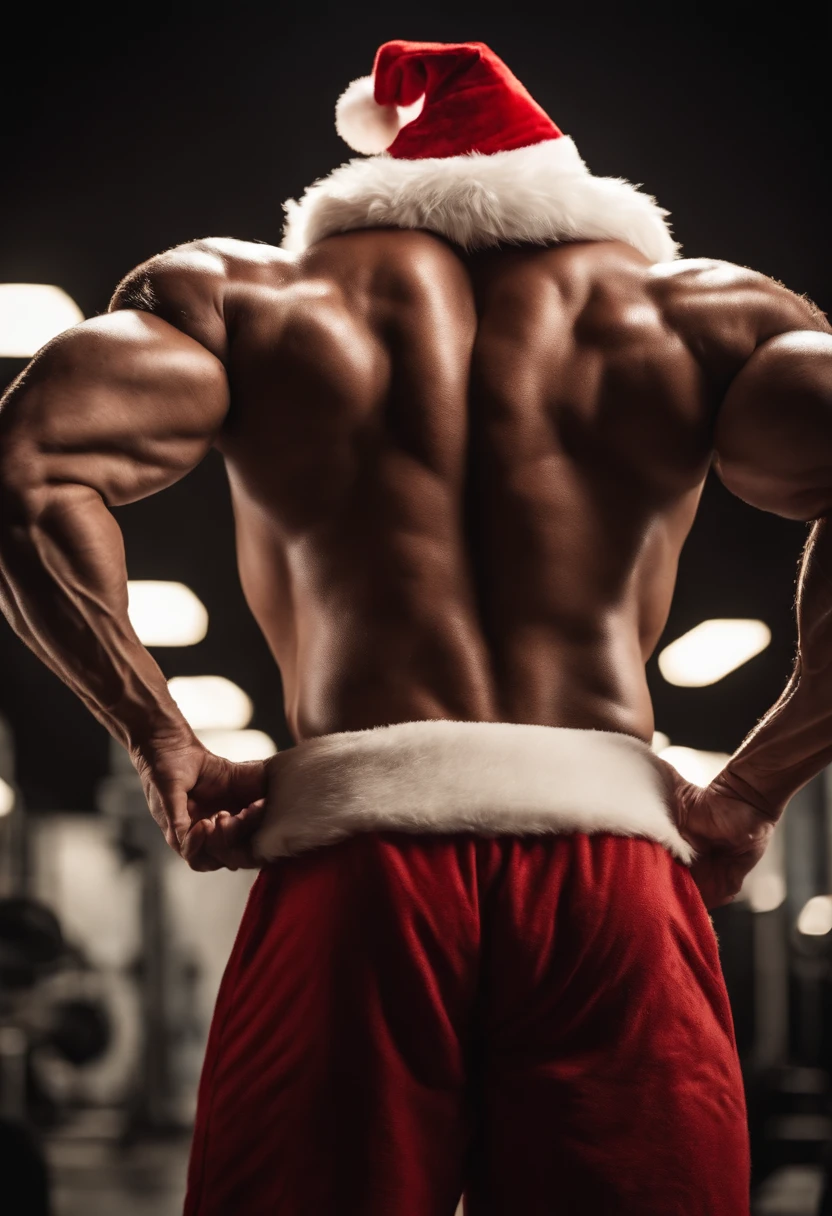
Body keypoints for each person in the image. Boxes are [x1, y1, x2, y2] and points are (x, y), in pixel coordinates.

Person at [0, 37, 829, 1216]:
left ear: (366, 184)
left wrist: (162, 739)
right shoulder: (704, 316)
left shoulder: (247, 300)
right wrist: (752, 787)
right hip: (611, 874)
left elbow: (27, 470)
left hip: (358, 867)